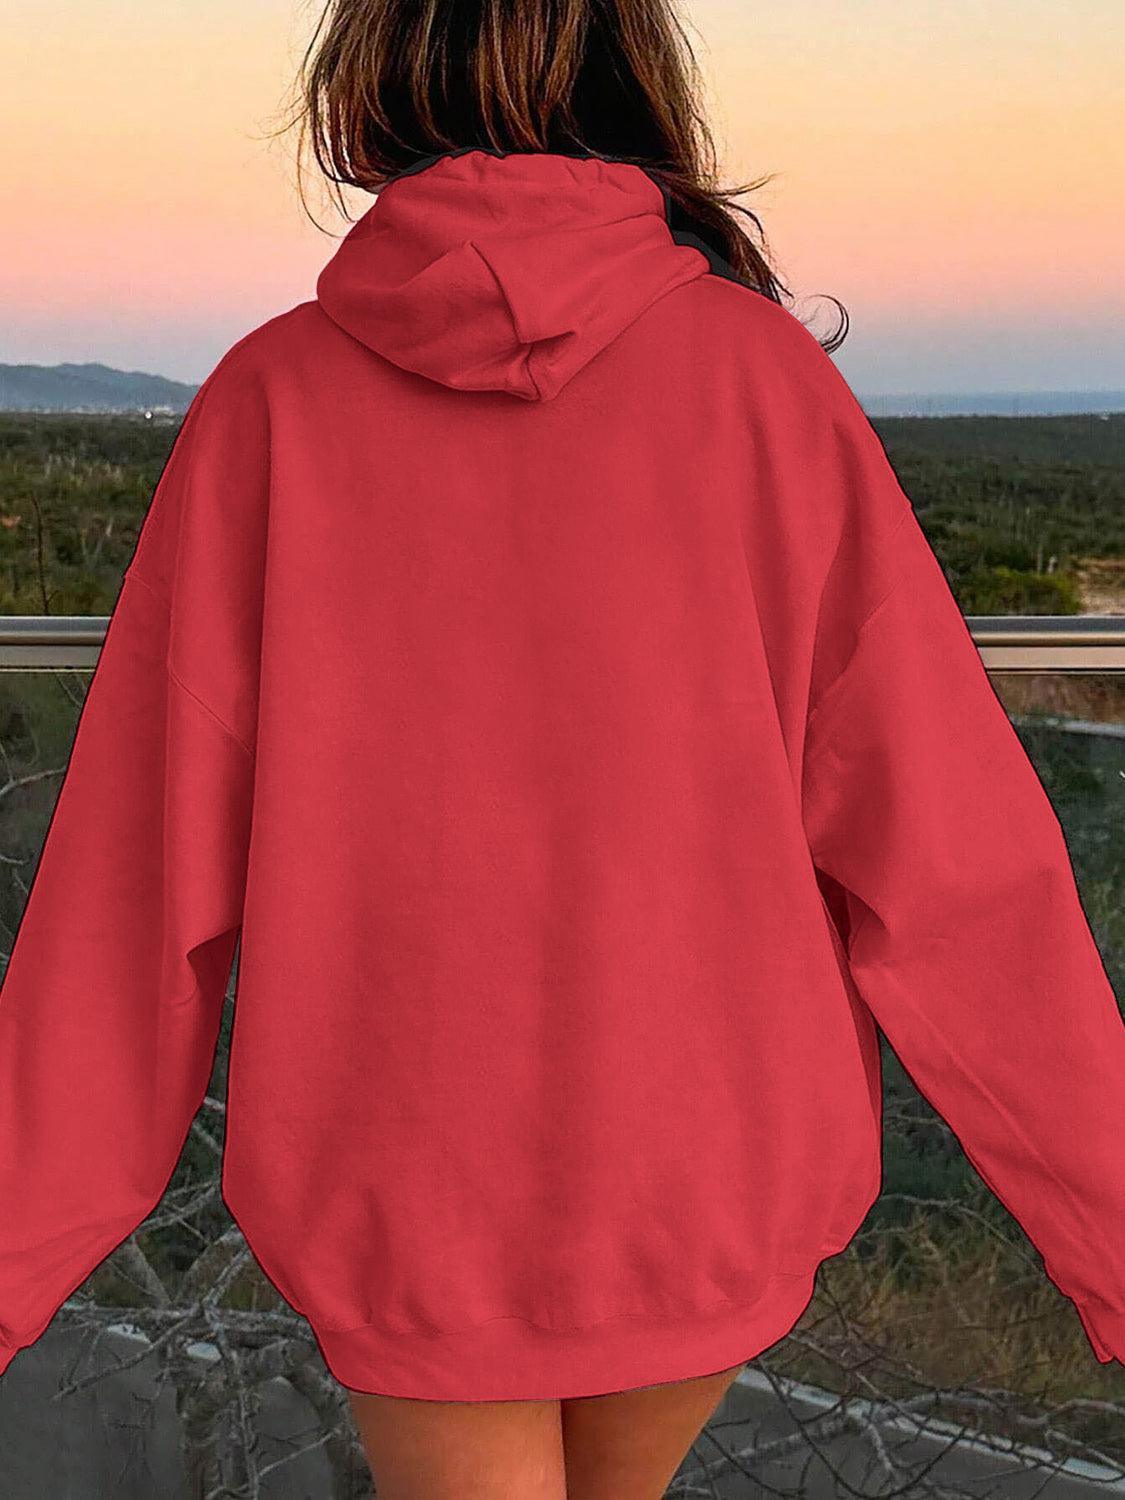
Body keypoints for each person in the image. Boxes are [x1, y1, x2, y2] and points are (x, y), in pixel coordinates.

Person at [1, 0, 1123, 1495]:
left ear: (368, 91)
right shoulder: (762, 385)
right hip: (705, 1169)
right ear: (634, 82)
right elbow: (956, 857)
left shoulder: (270, 403)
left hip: (406, 1193)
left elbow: (132, 897)